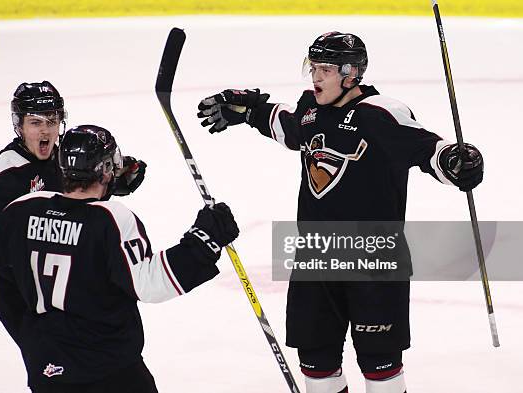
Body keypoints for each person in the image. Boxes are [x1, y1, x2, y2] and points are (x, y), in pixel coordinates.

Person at [196, 31, 484, 393]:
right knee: (317, 366)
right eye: (312, 67)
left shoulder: (381, 113)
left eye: (325, 69)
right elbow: (287, 126)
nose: (315, 76)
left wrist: (457, 160)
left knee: (380, 369)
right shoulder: (311, 111)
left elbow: (428, 149)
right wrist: (250, 110)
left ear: (351, 74)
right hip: (316, 256)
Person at [0, 124, 239, 392]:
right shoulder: (111, 220)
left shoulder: (24, 209)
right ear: (102, 171)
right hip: (110, 371)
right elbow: (149, 284)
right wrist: (203, 241)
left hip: (47, 369)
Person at [0, 81, 146, 351]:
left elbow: (80, 203)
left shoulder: (70, 155)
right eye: (35, 122)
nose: (46, 130)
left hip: (74, 285)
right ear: (19, 125)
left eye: (52, 120)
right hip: (24, 297)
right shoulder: (1, 174)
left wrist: (113, 180)